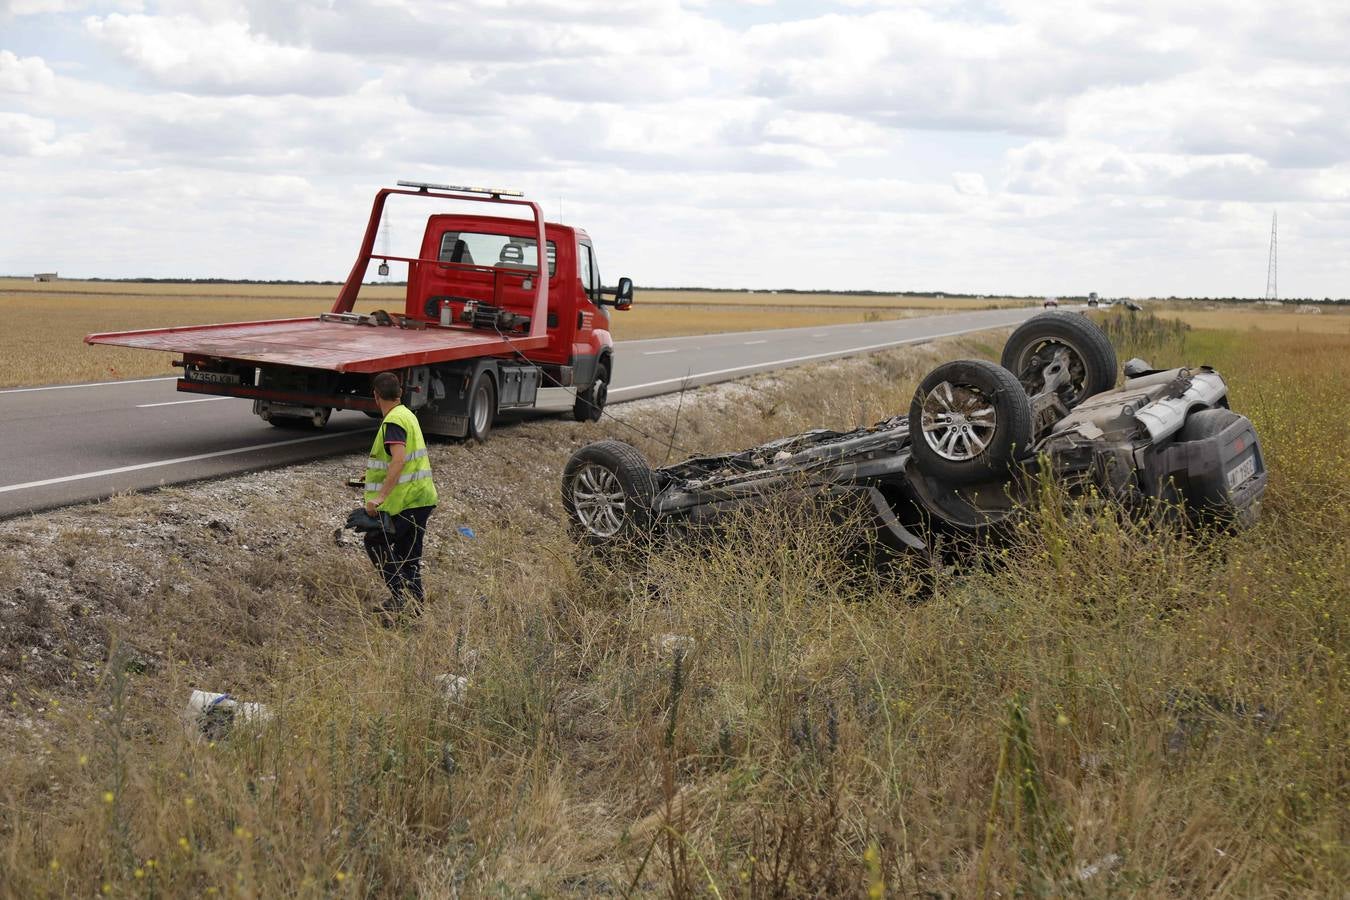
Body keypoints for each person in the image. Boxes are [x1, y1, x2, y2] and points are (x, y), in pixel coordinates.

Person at [363, 372, 438, 614]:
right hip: (422, 498)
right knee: (409, 556)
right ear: (400, 393)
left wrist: (380, 497)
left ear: (376, 396)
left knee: (374, 542)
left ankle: (400, 596)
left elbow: (399, 460)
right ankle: (414, 609)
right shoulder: (407, 415)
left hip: (407, 502)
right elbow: (399, 461)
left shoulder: (393, 421)